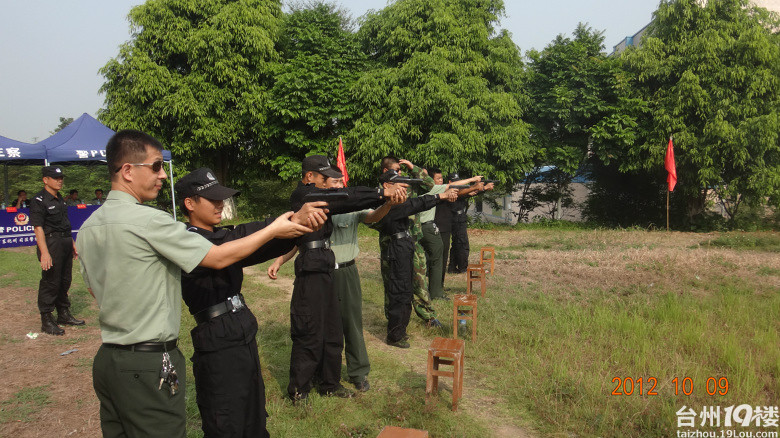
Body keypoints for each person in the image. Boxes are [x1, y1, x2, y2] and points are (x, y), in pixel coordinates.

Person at [76, 129, 315, 438]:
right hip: (148, 361)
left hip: (109, 361)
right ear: (128, 171)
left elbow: (95, 290)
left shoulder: (88, 228)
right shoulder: (149, 221)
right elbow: (217, 256)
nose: (163, 175)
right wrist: (273, 230)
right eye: (156, 166)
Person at [176, 167, 326, 438]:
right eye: (212, 199)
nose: (220, 204)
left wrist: (294, 225)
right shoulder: (186, 240)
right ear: (189, 203)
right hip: (216, 336)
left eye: (221, 198)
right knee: (226, 417)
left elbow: (249, 242)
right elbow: (228, 245)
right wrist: (274, 228)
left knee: (253, 411)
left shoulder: (220, 236)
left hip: (239, 327)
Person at [268, 166, 404, 393]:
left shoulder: (351, 203)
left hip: (346, 271)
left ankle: (356, 372)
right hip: (321, 271)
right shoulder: (315, 203)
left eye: (341, 182)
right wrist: (280, 260)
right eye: (334, 182)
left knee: (350, 324)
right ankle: (318, 376)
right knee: (320, 326)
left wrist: (387, 203)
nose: (339, 186)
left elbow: (371, 216)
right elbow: (300, 238)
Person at [373, 170, 457, 348]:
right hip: (395, 247)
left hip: (405, 244)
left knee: (405, 290)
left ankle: (400, 330)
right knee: (399, 291)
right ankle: (395, 333)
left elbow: (415, 202)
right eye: (400, 184)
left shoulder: (396, 201)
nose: (405, 188)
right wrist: (440, 196)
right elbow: (415, 204)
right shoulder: (386, 203)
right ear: (386, 186)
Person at [379, 157, 440, 326]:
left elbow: (430, 185)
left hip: (413, 240)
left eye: (401, 170)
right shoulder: (381, 190)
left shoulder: (408, 185)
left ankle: (428, 316)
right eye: (397, 170)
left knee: (420, 280)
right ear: (386, 171)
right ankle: (393, 318)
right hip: (391, 242)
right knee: (391, 282)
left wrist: (413, 167)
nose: (400, 173)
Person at [29, 165, 83, 336]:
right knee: (51, 281)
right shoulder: (38, 200)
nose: (60, 181)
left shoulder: (60, 198)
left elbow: (64, 223)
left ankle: (63, 313)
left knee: (65, 279)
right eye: (56, 178)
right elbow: (38, 228)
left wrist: (72, 243)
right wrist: (45, 253)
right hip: (51, 243)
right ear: (45, 180)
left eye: (61, 178)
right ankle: (46, 319)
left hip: (65, 241)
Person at [419, 169, 482, 300]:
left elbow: (457, 192)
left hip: (444, 227)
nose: (440, 181)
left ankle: (438, 286)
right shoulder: (434, 189)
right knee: (435, 260)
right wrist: (473, 184)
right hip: (436, 227)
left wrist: (475, 188)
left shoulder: (440, 190)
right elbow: (457, 191)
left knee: (441, 259)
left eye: (441, 178)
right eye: (438, 178)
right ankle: (434, 288)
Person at [447, 173, 494, 274]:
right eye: (455, 182)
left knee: (456, 244)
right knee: (462, 243)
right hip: (456, 219)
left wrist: (483, 188)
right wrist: (479, 187)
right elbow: (464, 193)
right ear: (450, 182)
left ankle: (452, 267)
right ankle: (463, 268)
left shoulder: (457, 191)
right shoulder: (450, 191)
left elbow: (470, 193)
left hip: (458, 218)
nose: (458, 184)